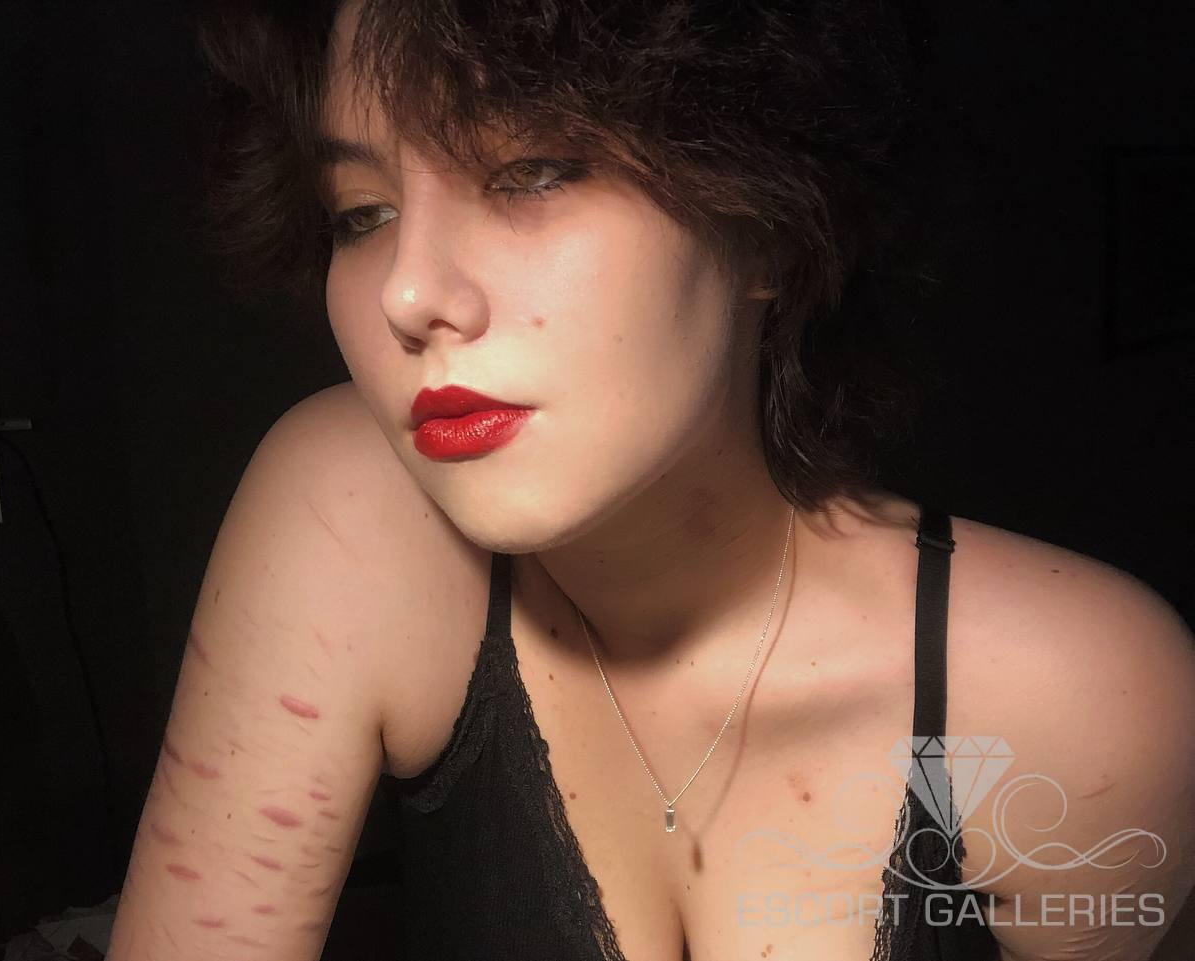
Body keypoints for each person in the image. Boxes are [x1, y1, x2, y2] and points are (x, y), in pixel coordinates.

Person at [107, 1, 1195, 959]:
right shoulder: (347, 512)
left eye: (530, 169)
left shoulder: (1077, 701)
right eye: (361, 212)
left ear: (766, 221)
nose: (406, 291)